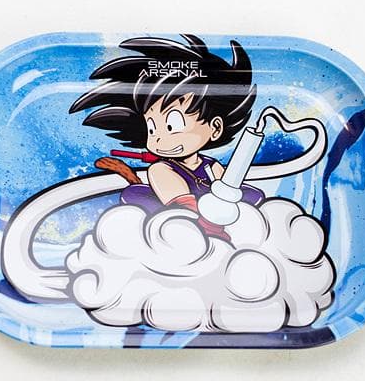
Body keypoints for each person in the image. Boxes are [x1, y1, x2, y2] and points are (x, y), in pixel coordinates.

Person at [69, 34, 264, 240]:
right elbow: (184, 210)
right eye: (152, 128)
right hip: (181, 231)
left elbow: (229, 192)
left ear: (215, 128)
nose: (158, 139)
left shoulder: (211, 166)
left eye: (172, 125)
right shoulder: (161, 170)